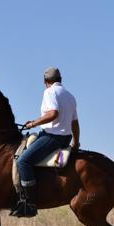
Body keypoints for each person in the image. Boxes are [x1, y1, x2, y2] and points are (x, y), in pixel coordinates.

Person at [10, 67, 80, 218]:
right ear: (61, 79)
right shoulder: (70, 96)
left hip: (52, 137)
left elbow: (53, 113)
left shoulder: (49, 92)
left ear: (45, 81)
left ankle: (30, 203)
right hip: (65, 137)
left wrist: (34, 123)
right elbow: (75, 123)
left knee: (23, 161)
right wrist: (76, 142)